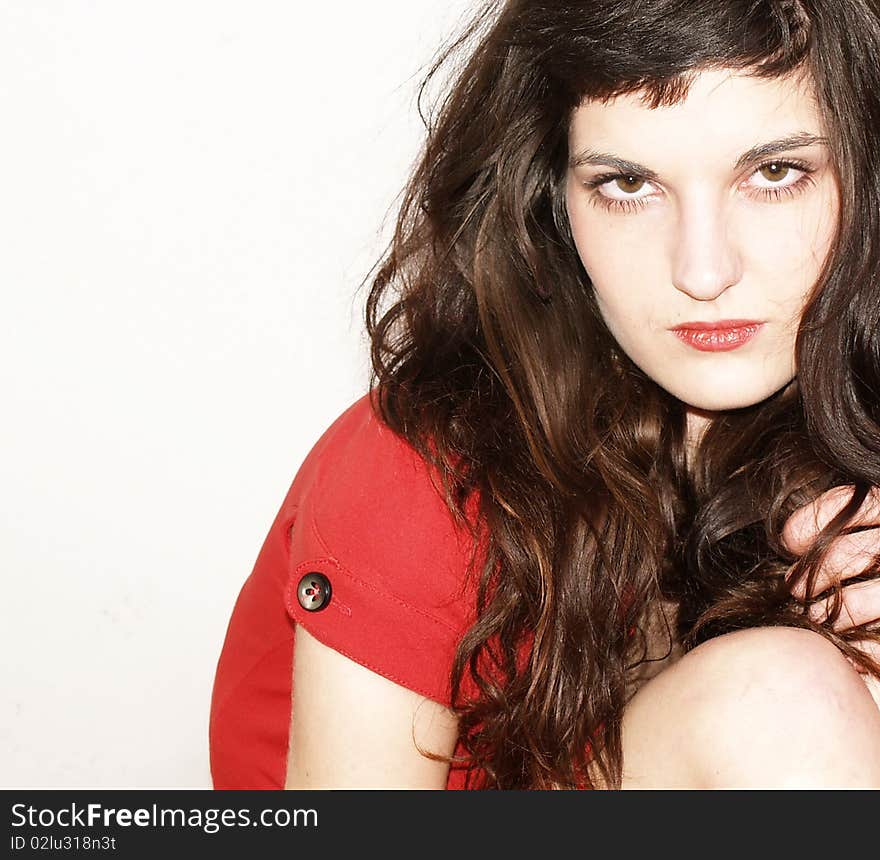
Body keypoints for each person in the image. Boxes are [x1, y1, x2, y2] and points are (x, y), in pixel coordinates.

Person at [209, 0, 880, 790]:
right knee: (780, 701)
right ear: (552, 203)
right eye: (628, 183)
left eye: (774, 173)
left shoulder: (839, 427)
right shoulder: (425, 471)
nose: (703, 271)